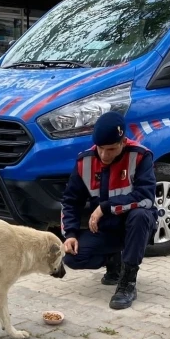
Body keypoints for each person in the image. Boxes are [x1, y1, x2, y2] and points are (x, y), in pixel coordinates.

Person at [60, 112, 158, 310]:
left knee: (140, 215)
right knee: (72, 257)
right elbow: (70, 201)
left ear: (123, 142)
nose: (104, 155)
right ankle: (114, 261)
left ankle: (127, 283)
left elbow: (145, 197)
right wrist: (69, 233)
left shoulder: (140, 156)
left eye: (111, 149)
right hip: (106, 229)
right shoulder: (84, 161)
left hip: (136, 226)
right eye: (101, 149)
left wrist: (105, 207)